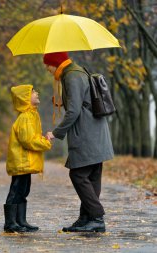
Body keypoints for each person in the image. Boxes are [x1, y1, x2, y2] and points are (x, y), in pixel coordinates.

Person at [43, 52, 114, 233]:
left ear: (55, 63)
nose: (47, 70)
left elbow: (74, 112)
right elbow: (82, 103)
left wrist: (56, 133)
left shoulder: (71, 76)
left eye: (48, 65)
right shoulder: (78, 71)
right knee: (92, 176)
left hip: (87, 134)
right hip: (96, 131)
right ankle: (86, 218)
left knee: (78, 175)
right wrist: (62, 103)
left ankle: (96, 217)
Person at [4, 84, 52, 233]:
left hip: (26, 162)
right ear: (25, 98)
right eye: (33, 92)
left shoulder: (32, 114)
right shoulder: (25, 117)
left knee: (23, 191)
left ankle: (21, 221)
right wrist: (45, 142)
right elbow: (28, 140)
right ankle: (10, 223)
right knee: (16, 190)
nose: (37, 93)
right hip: (21, 161)